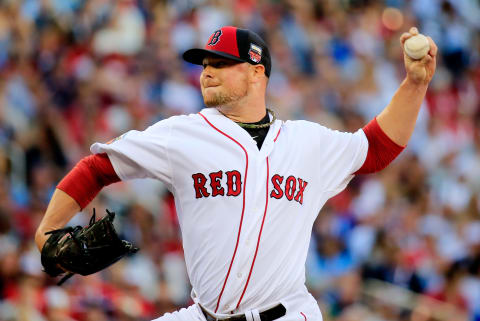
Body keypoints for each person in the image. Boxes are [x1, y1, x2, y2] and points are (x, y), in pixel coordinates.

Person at [35, 26, 437, 321]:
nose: (207, 71)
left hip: (286, 315)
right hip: (202, 313)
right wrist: (46, 230)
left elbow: (378, 147)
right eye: (205, 64)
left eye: (221, 63)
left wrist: (415, 84)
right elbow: (97, 168)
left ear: (256, 72)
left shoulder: (307, 143)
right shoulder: (184, 133)